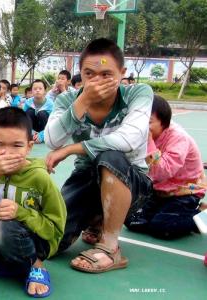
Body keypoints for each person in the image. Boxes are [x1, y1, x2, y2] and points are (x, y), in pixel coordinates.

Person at [44, 38, 154, 273]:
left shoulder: (138, 93)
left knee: (110, 156)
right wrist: (83, 100)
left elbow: (129, 139)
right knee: (49, 244)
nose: (97, 81)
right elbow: (52, 140)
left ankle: (111, 247)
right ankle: (96, 218)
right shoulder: (67, 99)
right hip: (86, 177)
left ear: (122, 73)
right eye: (89, 74)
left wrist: (70, 149)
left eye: (107, 74)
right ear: (81, 74)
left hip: (131, 182)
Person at [0, 107, 66, 298]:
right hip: (0, 234)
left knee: (2, 228)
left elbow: (55, 228)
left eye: (17, 146)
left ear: (29, 146)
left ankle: (35, 265)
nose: (7, 153)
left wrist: (21, 213)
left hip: (36, 240)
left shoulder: (40, 178)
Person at [125, 95, 206, 239]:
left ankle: (200, 215)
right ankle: (166, 214)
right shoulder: (138, 133)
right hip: (159, 191)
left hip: (185, 192)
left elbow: (161, 172)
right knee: (132, 220)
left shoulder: (178, 138)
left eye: (148, 122)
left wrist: (148, 141)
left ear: (164, 123)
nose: (141, 126)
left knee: (162, 227)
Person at [23, 79, 54, 144]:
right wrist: (32, 133)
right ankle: (30, 135)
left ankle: (44, 136)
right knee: (29, 112)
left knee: (42, 113)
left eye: (40, 88)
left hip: (45, 129)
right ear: (31, 91)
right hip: (32, 129)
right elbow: (22, 119)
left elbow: (53, 122)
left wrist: (41, 136)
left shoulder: (50, 104)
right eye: (35, 89)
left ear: (45, 91)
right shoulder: (28, 102)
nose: (37, 90)